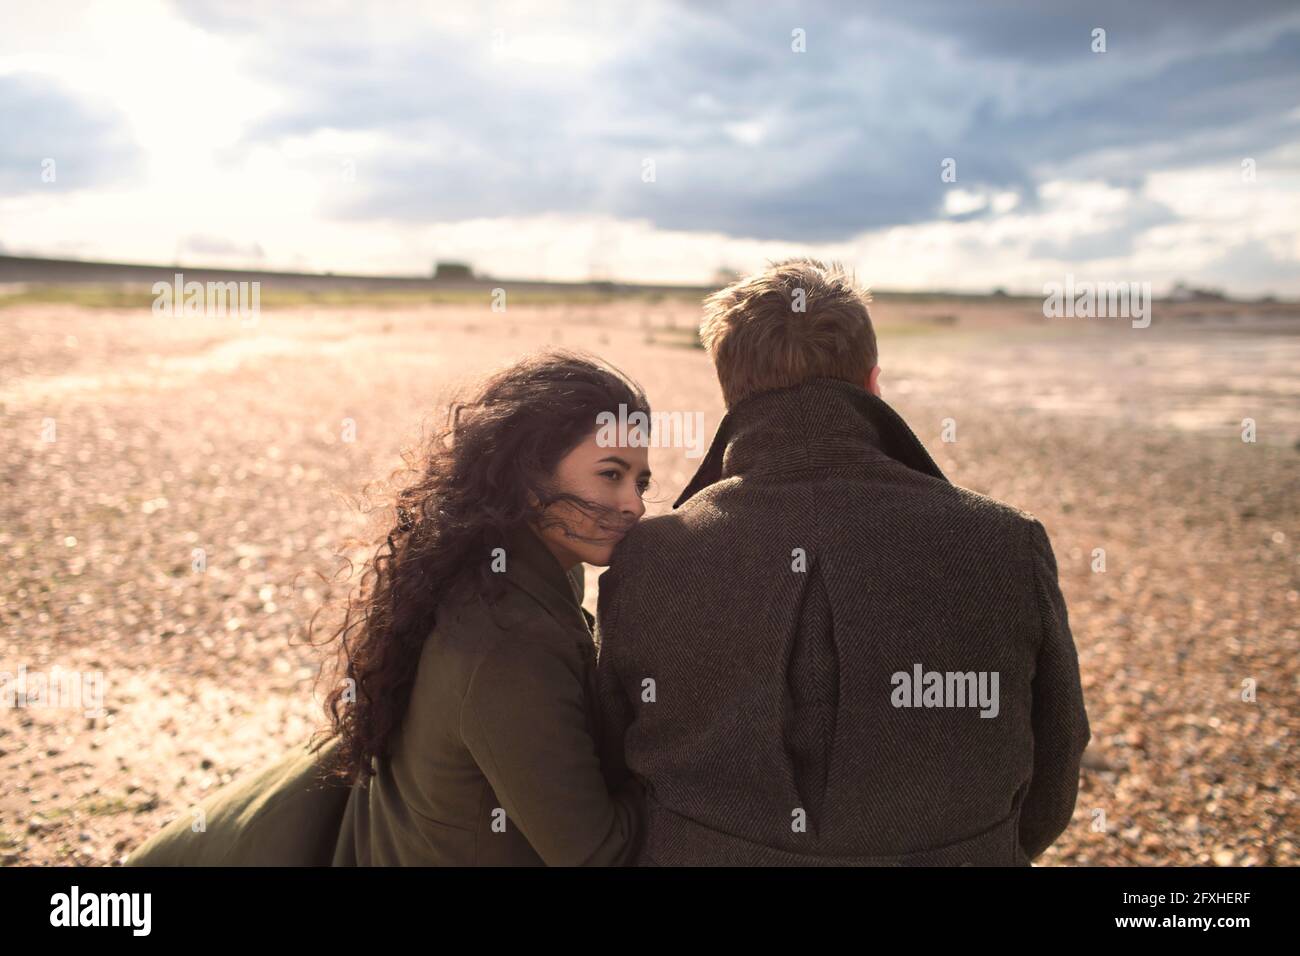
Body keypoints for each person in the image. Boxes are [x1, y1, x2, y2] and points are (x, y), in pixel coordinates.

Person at [595, 258, 1092, 866]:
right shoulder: (1006, 541)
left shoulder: (649, 556)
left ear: (730, 391)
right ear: (873, 382)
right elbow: (1059, 759)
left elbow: (611, 752)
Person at [124, 349, 652, 866]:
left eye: (640, 481)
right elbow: (594, 853)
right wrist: (690, 773)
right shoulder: (510, 640)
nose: (634, 503)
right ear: (525, 474)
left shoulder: (480, 571)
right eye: (611, 474)